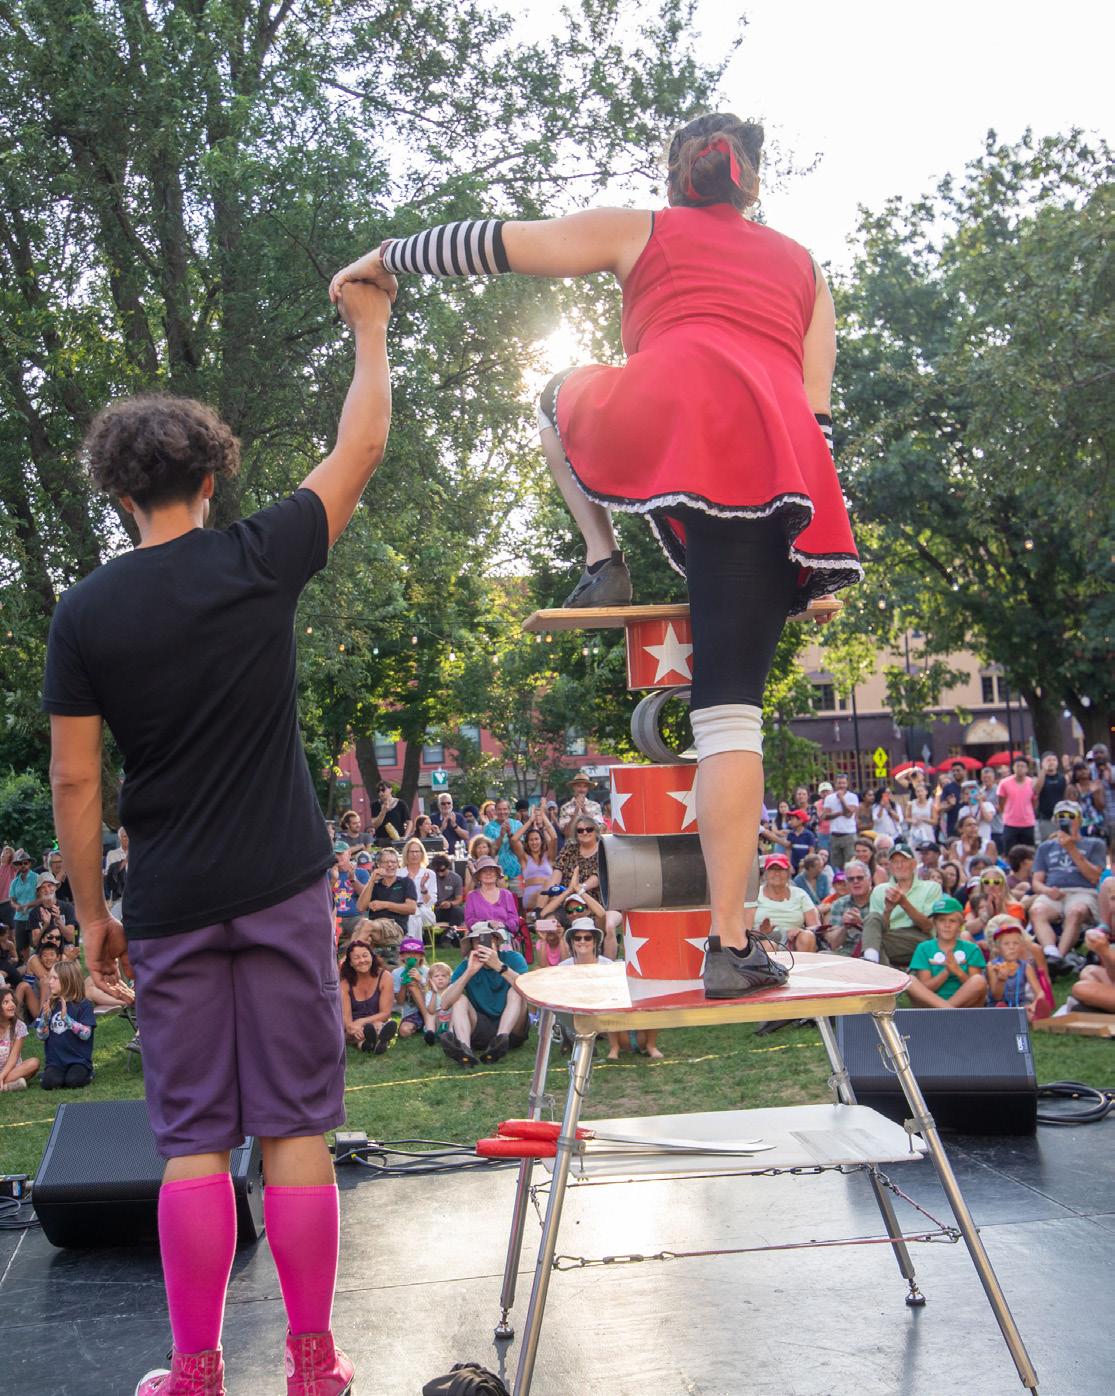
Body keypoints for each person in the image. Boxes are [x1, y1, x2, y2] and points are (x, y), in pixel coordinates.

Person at [332, 112, 860, 1001]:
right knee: (729, 723)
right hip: (775, 485)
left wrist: (389, 255)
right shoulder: (803, 267)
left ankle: (601, 553)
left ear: (673, 176)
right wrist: (809, 558)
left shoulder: (640, 228)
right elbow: (815, 413)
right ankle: (730, 945)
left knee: (552, 395)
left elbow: (502, 243)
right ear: (753, 181)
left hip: (670, 434)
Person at [43, 275, 392, 1395]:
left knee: (193, 1142)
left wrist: (90, 913)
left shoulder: (84, 613)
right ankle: (312, 1365)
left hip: (172, 898)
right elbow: (360, 446)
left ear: (119, 496)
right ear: (208, 477)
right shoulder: (260, 555)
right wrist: (369, 327)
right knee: (295, 1127)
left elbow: (75, 777)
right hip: (282, 882)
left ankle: (195, 1372)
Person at [1028, 801, 1107, 966]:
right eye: (1061, 816)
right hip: (1053, 893)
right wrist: (1047, 891)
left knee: (1076, 911)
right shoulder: (1045, 847)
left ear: (1080, 819)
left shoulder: (1095, 844)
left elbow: (1094, 877)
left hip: (1083, 891)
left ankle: (1058, 959)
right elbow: (1036, 882)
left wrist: (1071, 848)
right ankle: (1051, 952)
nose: (1066, 819)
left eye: (1070, 815)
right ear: (1055, 820)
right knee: (1036, 910)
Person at [439, 923, 529, 1066]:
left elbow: (527, 990)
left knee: (516, 989)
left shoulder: (513, 958)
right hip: (481, 1028)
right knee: (459, 999)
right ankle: (464, 1050)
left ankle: (500, 1040)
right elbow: (444, 1004)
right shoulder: (466, 965)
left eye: (488, 939)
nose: (485, 945)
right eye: (478, 941)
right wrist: (469, 973)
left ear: (497, 942)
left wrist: (498, 966)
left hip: (513, 1029)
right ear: (472, 946)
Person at [861, 842, 938, 968]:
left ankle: (871, 962)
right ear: (890, 866)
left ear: (913, 864)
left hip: (917, 936)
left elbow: (927, 926)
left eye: (904, 861)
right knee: (873, 919)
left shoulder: (931, 887)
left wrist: (904, 903)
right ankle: (873, 963)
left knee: (872, 943)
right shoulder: (879, 890)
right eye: (895, 862)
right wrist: (888, 910)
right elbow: (879, 927)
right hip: (889, 935)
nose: (899, 866)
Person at [905, 898, 988, 1009]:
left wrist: (958, 971)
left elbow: (976, 989)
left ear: (960, 924)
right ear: (935, 923)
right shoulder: (924, 948)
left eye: (952, 921)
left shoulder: (972, 949)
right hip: (930, 1006)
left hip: (964, 1006)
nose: (947, 925)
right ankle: (946, 1011)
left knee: (979, 980)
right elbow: (925, 988)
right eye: (942, 920)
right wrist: (946, 972)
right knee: (909, 980)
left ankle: (944, 1012)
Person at [35, 959, 96, 1088]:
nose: (50, 982)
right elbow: (41, 1036)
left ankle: (88, 1073)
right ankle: (49, 1074)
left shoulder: (84, 1005)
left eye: (54, 978)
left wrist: (66, 1019)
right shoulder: (50, 1004)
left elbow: (86, 1034)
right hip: (55, 1061)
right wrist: (45, 1019)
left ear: (67, 980)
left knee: (74, 1081)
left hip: (78, 1060)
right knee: (50, 1083)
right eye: (50, 978)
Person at [985, 916, 1050, 1021]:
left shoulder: (1025, 966)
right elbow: (996, 996)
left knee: (1026, 1009)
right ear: (997, 948)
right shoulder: (992, 966)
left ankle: (1033, 1016)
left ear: (1021, 946)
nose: (1012, 947)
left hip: (1020, 1002)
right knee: (999, 1008)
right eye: (1006, 944)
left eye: (1016, 943)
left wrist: (1035, 1003)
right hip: (1000, 1003)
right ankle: (1009, 1016)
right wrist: (1001, 980)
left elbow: (1039, 992)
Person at [339, 941, 397, 1054]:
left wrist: (361, 1022)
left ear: (372, 957)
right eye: (356, 958)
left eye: (365, 955)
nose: (362, 960)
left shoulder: (385, 977)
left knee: (377, 1025)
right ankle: (373, 1043)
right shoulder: (344, 984)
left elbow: (385, 1013)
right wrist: (353, 1027)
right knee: (351, 1031)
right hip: (353, 1027)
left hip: (376, 1021)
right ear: (350, 963)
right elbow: (347, 1021)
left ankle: (370, 1042)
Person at [753, 854, 819, 953]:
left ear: (788, 873)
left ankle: (800, 963)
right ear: (765, 873)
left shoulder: (800, 894)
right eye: (772, 869)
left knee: (807, 936)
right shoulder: (755, 894)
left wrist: (800, 930)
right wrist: (760, 931)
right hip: (762, 938)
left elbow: (816, 926)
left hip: (793, 940)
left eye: (781, 869)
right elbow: (743, 929)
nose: (777, 873)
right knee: (769, 946)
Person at [356, 846, 418, 938]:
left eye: (393, 862)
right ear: (379, 865)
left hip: (395, 927)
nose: (390, 865)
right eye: (386, 862)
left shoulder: (406, 882)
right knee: (360, 926)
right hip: (373, 927)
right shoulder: (374, 885)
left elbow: (412, 908)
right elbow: (361, 908)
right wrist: (371, 880)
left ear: (398, 864)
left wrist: (385, 905)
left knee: (365, 925)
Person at [511, 808, 558, 910]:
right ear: (527, 843)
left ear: (541, 841)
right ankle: (541, 911)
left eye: (536, 839)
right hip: (531, 897)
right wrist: (530, 821)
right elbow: (514, 839)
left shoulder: (549, 856)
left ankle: (543, 913)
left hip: (549, 896)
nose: (534, 842)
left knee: (552, 892)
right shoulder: (524, 858)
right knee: (550, 894)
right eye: (531, 840)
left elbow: (554, 838)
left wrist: (543, 816)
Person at [823, 860, 873, 955]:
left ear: (869, 880)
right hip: (845, 953)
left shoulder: (879, 900)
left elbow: (886, 938)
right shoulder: (839, 904)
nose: (855, 881)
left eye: (860, 878)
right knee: (823, 955)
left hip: (873, 952)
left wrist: (861, 923)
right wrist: (845, 927)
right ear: (847, 883)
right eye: (851, 879)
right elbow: (833, 944)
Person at [463, 857, 520, 935]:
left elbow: (514, 919)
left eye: (492, 870)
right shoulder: (472, 896)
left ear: (497, 874)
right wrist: (487, 924)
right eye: (484, 871)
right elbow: (469, 921)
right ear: (479, 876)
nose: (488, 873)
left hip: (504, 934)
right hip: (480, 934)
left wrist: (503, 925)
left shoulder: (506, 894)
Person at [393, 938, 432, 1040]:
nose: (412, 956)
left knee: (413, 986)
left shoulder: (428, 972)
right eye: (408, 953)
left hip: (429, 1009)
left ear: (421, 956)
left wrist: (421, 981)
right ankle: (422, 1025)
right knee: (404, 1031)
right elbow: (400, 1002)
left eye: (415, 953)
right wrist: (403, 985)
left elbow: (433, 995)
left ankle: (428, 1022)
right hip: (411, 1013)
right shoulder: (396, 973)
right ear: (402, 956)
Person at [0, 986, 39, 1090]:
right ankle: (7, 1087)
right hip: (9, 1076)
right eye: (6, 1002)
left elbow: (13, 1058)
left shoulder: (19, 1026)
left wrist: (1, 1076)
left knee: (34, 1063)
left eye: (12, 1001)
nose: (12, 1005)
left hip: (12, 1070)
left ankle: (3, 1082)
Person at [483, 798, 524, 893]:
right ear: (495, 811)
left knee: (519, 899)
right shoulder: (489, 828)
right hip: (497, 873)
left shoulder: (517, 824)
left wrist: (510, 834)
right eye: (499, 809)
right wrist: (501, 836)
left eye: (505, 809)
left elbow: (520, 851)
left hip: (516, 871)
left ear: (509, 810)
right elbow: (492, 851)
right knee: (501, 900)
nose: (502, 812)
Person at [997, 757, 1036, 854]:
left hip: (1028, 823)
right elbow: (1001, 801)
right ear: (1013, 767)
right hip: (1010, 823)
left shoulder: (1032, 783)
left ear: (1027, 769)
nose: (1020, 768)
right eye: (1017, 766)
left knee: (1028, 853)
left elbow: (1034, 802)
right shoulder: (1004, 783)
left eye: (1023, 766)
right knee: (1009, 852)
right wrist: (1006, 813)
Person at [401, 838, 439, 938]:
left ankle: (410, 942)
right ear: (406, 854)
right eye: (411, 852)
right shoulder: (399, 874)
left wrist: (422, 886)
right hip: (403, 910)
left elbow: (430, 903)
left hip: (424, 911)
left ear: (422, 854)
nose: (414, 854)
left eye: (417, 851)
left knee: (414, 914)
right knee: (412, 914)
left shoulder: (429, 874)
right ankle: (415, 945)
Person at [823, 776, 860, 872]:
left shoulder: (852, 797)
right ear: (835, 784)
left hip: (849, 834)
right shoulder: (829, 798)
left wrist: (842, 800)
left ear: (847, 784)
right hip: (834, 835)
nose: (841, 785)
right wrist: (839, 813)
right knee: (836, 865)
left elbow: (848, 814)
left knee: (850, 863)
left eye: (843, 783)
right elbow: (825, 816)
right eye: (839, 783)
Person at [1033, 752, 1067, 843]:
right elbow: (1036, 790)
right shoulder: (1038, 778)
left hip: (1061, 817)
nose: (1051, 762)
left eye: (1054, 760)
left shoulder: (1062, 778)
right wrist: (1044, 770)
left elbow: (1066, 795)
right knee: (1049, 843)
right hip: (1045, 818)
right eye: (1048, 760)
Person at [557, 771, 604, 836]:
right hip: (573, 842)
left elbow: (600, 830)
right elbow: (566, 833)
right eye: (579, 786)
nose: (582, 789)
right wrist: (576, 812)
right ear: (574, 787)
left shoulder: (595, 806)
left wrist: (584, 810)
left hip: (591, 841)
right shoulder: (565, 807)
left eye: (585, 786)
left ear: (588, 788)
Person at [368, 780, 409, 844]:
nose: (381, 793)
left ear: (390, 789)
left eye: (383, 790)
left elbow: (409, 822)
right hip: (382, 839)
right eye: (378, 791)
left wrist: (405, 836)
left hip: (398, 839)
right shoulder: (375, 805)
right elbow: (375, 825)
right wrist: (383, 811)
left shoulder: (401, 803)